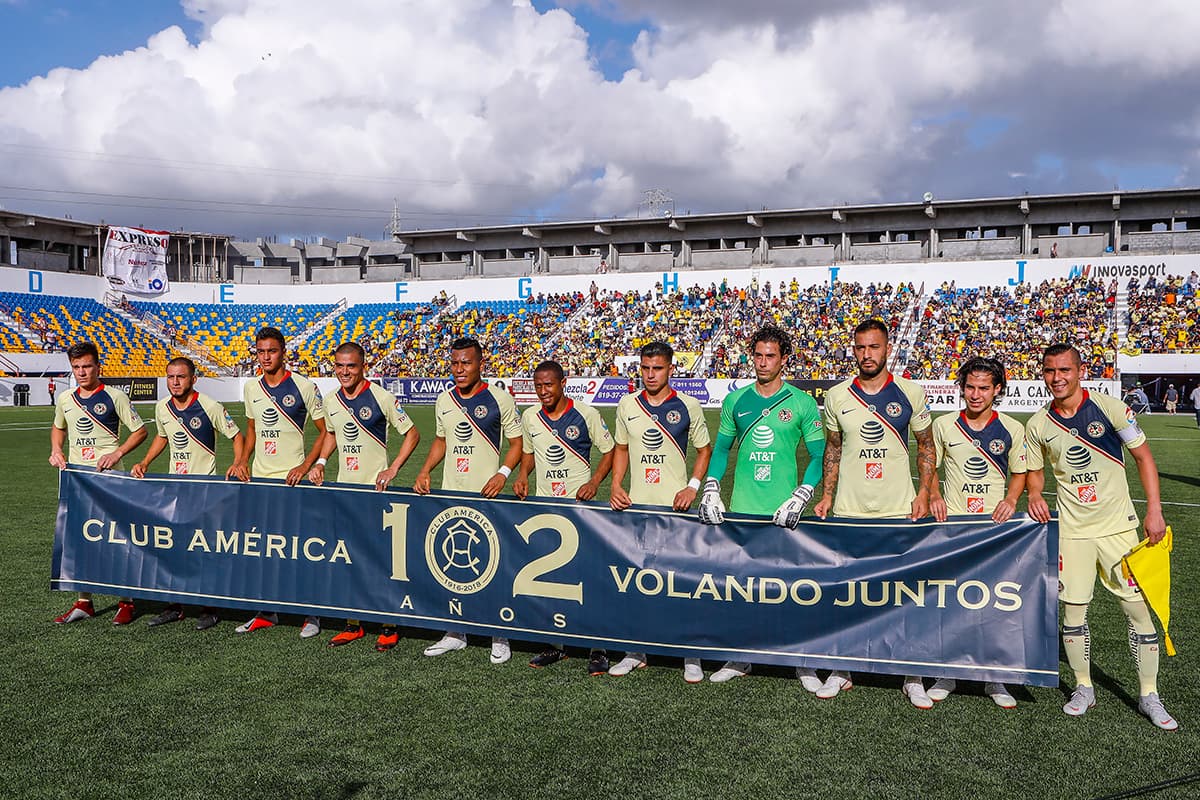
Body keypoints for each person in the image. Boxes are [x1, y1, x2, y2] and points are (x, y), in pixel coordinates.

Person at [1025, 344, 1176, 730]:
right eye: (1049, 371)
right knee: (1073, 614)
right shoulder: (1039, 423)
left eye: (1064, 370)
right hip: (1072, 533)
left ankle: (1149, 694)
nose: (1057, 378)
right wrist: (1036, 494)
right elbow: (1035, 472)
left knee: (1136, 610)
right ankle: (1084, 687)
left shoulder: (1111, 409)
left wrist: (1154, 510)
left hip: (1118, 529)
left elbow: (1143, 458)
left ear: (1080, 371)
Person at [813, 319, 936, 705]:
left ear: (888, 349)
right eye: (861, 347)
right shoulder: (837, 395)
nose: (867, 354)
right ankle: (842, 668)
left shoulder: (910, 392)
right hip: (849, 510)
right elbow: (833, 449)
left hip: (899, 510)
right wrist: (827, 495)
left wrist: (924, 492)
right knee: (847, 594)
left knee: (906, 594)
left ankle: (911, 673)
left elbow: (926, 446)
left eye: (874, 347)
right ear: (854, 350)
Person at [698, 324, 825, 687]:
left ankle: (802, 662)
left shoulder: (801, 402)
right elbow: (721, 450)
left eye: (771, 356)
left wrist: (802, 494)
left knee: (791, 590)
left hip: (784, 512)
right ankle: (741, 658)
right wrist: (711, 486)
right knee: (743, 589)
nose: (763, 362)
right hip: (742, 510)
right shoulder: (736, 401)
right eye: (758, 355)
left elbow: (819, 455)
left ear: (784, 360)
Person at [414, 337, 523, 664]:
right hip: (451, 494)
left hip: (487, 496)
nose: (459, 369)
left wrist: (502, 474)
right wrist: (425, 470)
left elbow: (517, 444)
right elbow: (440, 440)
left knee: (492, 564)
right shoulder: (444, 400)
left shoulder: (500, 399)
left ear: (480, 364)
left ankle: (499, 633)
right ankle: (455, 632)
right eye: (455, 363)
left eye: (466, 363)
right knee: (452, 564)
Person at [608, 341, 712, 682]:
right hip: (636, 507)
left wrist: (692, 487)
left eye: (657, 368)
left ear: (671, 369)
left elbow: (704, 450)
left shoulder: (688, 405)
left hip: (675, 510)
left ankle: (690, 654)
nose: (650, 375)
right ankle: (636, 651)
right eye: (646, 368)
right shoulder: (627, 404)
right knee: (636, 582)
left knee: (682, 583)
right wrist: (616, 484)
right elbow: (621, 448)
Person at [926, 356, 1026, 708]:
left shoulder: (1012, 428)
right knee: (950, 601)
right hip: (953, 528)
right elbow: (929, 467)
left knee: (993, 603)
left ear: (997, 389)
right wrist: (934, 495)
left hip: (993, 530)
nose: (975, 394)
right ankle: (948, 672)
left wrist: (1011, 500)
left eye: (984, 388)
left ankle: (993, 676)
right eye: (969, 387)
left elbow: (1020, 472)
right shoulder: (944, 425)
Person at [307, 342, 420, 650]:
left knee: (381, 562)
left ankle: (388, 624)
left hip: (375, 493)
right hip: (345, 492)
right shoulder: (332, 399)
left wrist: (393, 468)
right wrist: (321, 462)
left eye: (351, 366)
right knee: (349, 558)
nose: (345, 372)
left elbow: (412, 434)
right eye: (340, 366)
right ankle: (353, 624)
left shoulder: (381, 397)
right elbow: (331, 434)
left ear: (363, 367)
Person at [513, 360, 614, 675]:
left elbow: (610, 450)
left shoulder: (586, 414)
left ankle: (598, 648)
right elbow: (528, 454)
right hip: (545, 509)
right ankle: (555, 643)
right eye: (538, 386)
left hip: (579, 510)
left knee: (587, 578)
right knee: (550, 580)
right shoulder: (530, 416)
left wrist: (594, 482)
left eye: (549, 385)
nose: (543, 391)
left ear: (563, 383)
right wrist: (523, 475)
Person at [131, 356, 246, 630]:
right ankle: (175, 605)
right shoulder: (162, 407)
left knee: (203, 549)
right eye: (170, 377)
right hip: (175, 489)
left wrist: (238, 462)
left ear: (193, 379)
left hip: (204, 490)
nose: (175, 382)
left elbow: (236, 435)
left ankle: (209, 607)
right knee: (174, 548)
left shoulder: (209, 406)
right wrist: (146, 462)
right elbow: (162, 436)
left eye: (181, 377)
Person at [229, 327, 328, 639]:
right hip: (261, 481)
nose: (266, 357)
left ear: (283, 352)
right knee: (265, 549)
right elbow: (252, 429)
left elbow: (326, 431)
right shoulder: (251, 388)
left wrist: (306, 465)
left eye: (271, 351)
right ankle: (267, 611)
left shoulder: (304, 386)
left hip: (292, 482)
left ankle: (312, 613)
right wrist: (242, 460)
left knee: (300, 548)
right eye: (261, 352)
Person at [49, 341, 149, 625]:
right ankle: (84, 602)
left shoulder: (115, 396)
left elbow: (140, 431)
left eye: (87, 366)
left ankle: (126, 601)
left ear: (98, 367)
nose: (82, 372)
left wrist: (117, 453)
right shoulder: (65, 398)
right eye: (76, 367)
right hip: (78, 479)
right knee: (80, 541)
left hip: (111, 481)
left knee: (119, 539)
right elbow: (58, 427)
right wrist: (56, 449)